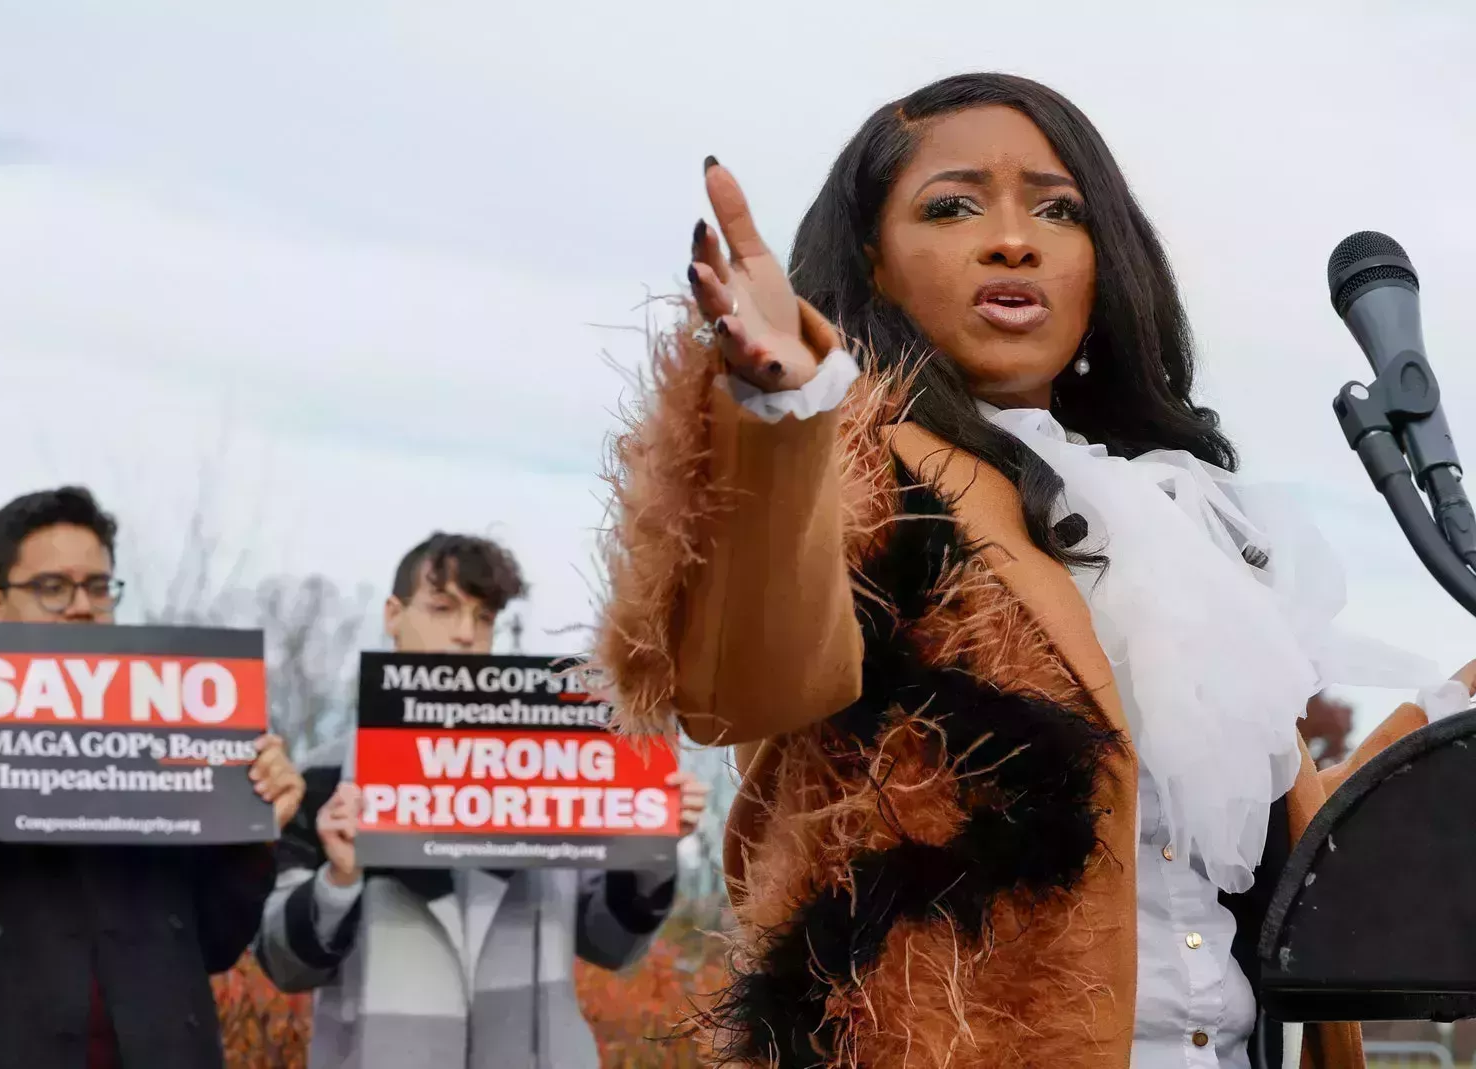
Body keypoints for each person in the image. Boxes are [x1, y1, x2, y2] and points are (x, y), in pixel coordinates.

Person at [591, 73, 1476, 1069]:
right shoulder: (859, 474)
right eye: (952, 207)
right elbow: (738, 685)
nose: (1014, 240)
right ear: (873, 262)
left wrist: (1453, 712)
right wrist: (785, 418)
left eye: (1059, 211)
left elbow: (1267, 859)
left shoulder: (1175, 513)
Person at [0, 486, 306, 1069]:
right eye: (52, 587)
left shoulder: (182, 745)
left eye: (98, 587)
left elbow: (214, 945)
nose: (81, 606)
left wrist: (253, 836)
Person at [254, 531, 709, 1068]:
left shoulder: (554, 771)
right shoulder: (322, 779)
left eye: (484, 617)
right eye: (442, 608)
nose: (466, 634)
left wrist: (648, 852)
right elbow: (283, 965)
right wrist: (339, 880)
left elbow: (611, 946)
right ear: (393, 615)